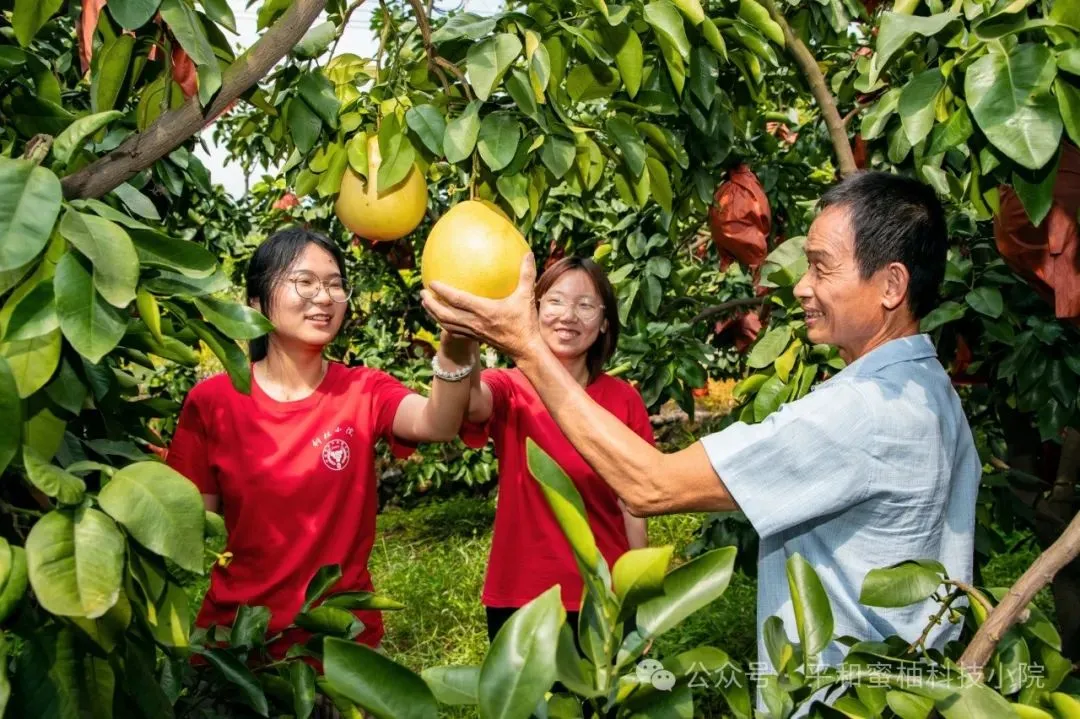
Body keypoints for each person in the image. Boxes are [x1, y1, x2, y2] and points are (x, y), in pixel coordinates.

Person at [421, 172, 980, 678]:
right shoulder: (930, 391)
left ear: (891, 285)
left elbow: (650, 487)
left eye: (821, 265)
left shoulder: (861, 412)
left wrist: (524, 345)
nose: (803, 285)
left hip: (843, 698)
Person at [168, 227, 476, 656]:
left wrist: (456, 346)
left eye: (335, 284)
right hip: (238, 643)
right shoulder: (214, 402)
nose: (325, 297)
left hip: (340, 642)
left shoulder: (363, 390)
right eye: (305, 282)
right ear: (256, 302)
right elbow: (189, 525)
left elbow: (437, 423)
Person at [460, 257, 654, 642]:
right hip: (521, 597)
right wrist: (466, 334)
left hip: (603, 596)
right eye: (555, 301)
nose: (568, 316)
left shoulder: (624, 400)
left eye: (585, 306)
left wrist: (640, 599)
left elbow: (634, 506)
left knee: (604, 704)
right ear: (533, 312)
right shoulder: (509, 388)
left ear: (603, 324)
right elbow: (472, 402)